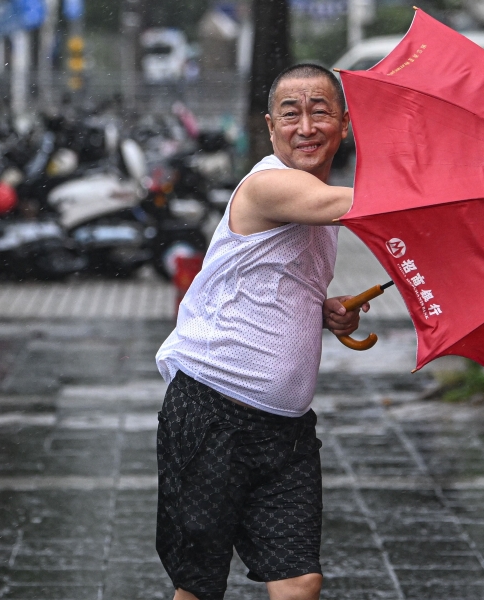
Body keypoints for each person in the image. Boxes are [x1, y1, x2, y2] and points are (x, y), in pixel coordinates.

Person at [154, 63, 364, 600]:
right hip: (211, 412)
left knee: (299, 577)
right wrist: (453, 189)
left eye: (321, 111)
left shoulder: (314, 203)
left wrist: (325, 310)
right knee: (198, 585)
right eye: (291, 114)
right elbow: (346, 205)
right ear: (271, 128)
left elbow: (277, 281)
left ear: (345, 124)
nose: (307, 126)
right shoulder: (266, 186)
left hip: (285, 428)